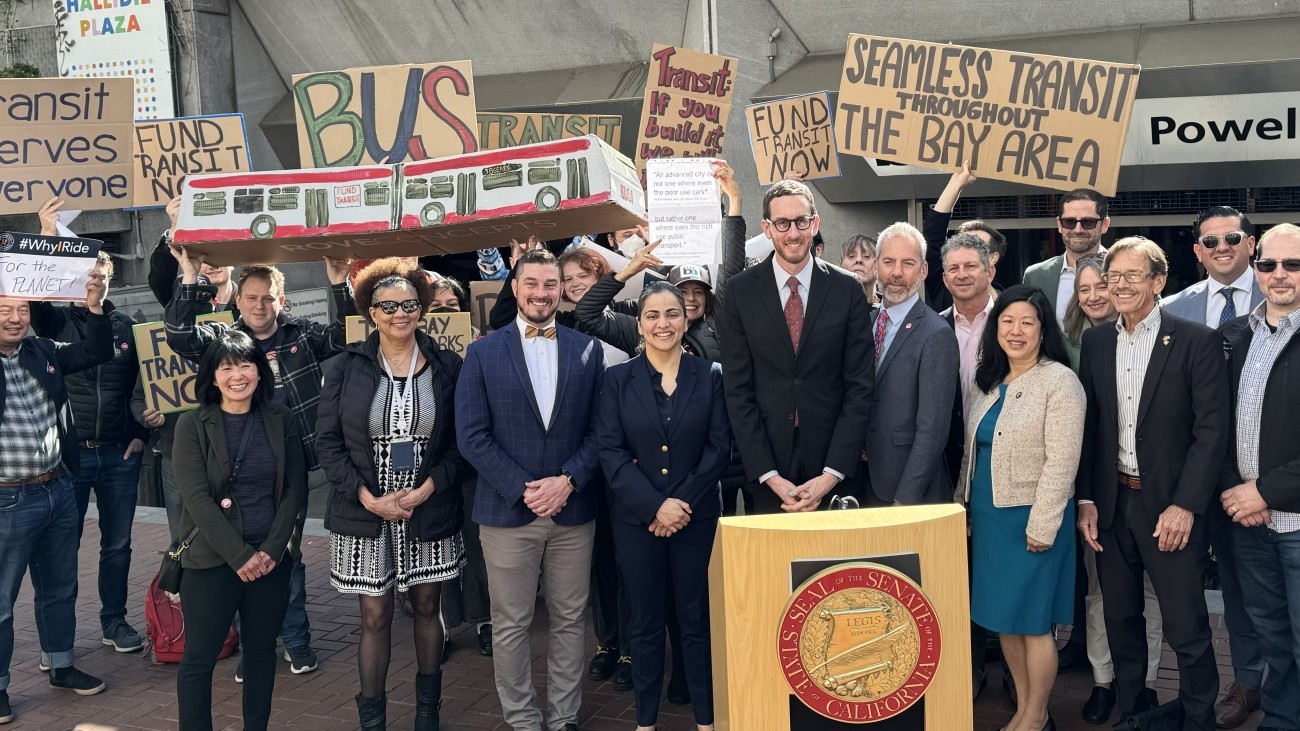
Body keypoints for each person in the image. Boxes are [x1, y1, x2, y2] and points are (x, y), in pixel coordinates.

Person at [167, 250, 353, 677]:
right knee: (238, 555)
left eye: (268, 298)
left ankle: (297, 640)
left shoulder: (301, 334)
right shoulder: (224, 340)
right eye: (251, 298)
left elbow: (347, 335)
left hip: (287, 467)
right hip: (231, 469)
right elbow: (178, 335)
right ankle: (256, 647)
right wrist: (190, 276)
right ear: (239, 300)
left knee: (286, 554)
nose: (259, 306)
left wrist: (340, 284)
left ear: (281, 301)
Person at [1076, 236, 1228, 730]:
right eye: (1112, 277)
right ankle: (1134, 712)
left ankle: (1200, 717)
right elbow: (1092, 427)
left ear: (1159, 282)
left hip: (1169, 508)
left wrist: (1186, 505)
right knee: (1121, 618)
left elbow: (1211, 433)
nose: (1118, 286)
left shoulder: (1197, 341)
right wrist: (1088, 499)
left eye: (1131, 276)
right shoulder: (1098, 341)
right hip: (1114, 503)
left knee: (1187, 624)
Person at [456, 248, 605, 731]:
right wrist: (525, 490)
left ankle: (563, 719)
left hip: (573, 509)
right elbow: (471, 436)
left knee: (569, 620)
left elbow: (601, 432)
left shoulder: (587, 349)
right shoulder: (481, 352)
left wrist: (568, 481)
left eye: (551, 285)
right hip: (506, 514)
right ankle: (522, 720)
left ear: (561, 291)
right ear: (515, 288)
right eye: (532, 284)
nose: (542, 293)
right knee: (511, 624)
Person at [317, 259, 465, 731]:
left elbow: (462, 441)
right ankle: (373, 720)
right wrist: (365, 496)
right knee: (376, 616)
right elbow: (327, 443)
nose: (400, 314)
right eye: (388, 306)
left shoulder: (447, 365)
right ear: (370, 313)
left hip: (429, 506)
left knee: (427, 607)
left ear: (421, 308)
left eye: (408, 304)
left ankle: (428, 714)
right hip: (365, 511)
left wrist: (431, 485)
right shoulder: (345, 366)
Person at [596, 282, 732, 731]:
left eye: (672, 314)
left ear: (686, 318)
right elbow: (611, 454)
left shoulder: (710, 374)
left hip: (695, 520)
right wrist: (656, 507)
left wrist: (679, 505)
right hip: (638, 523)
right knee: (647, 623)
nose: (663, 324)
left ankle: (706, 721)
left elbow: (718, 449)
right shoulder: (616, 381)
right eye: (653, 315)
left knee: (696, 621)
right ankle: (646, 722)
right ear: (639, 324)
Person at [958, 284, 1084, 731]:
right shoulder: (989, 381)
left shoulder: (1060, 382)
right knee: (1003, 619)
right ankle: (1025, 705)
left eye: (1027, 322)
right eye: (1007, 321)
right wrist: (965, 507)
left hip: (1033, 519)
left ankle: (1035, 714)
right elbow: (972, 454)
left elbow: (1063, 461)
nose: (1016, 330)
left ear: (1043, 329)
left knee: (1033, 622)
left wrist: (1044, 524)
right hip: (991, 520)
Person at [1162, 206, 1265, 728]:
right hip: (1202, 475)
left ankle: (1271, 682)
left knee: (1274, 588)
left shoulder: (1282, 292)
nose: (1222, 247)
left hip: (1266, 476)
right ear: (1197, 251)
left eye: (1232, 237)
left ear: (1251, 243)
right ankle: (1248, 680)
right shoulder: (1174, 308)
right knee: (1232, 586)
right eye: (1210, 241)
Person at [171, 330, 303, 731]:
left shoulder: (281, 419)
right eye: (226, 367)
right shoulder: (192, 425)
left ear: (260, 372)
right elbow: (196, 500)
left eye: (245, 365)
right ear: (212, 377)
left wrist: (271, 551)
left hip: (270, 563)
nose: (237, 375)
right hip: (211, 562)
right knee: (200, 658)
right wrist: (240, 556)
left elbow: (294, 490)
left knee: (262, 654)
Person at [718, 179, 874, 514]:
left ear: (815, 224)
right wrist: (769, 476)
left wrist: (832, 474)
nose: (793, 233)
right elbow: (737, 391)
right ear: (767, 228)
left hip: (834, 472)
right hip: (768, 474)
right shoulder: (740, 292)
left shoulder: (847, 290)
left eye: (802, 221)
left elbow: (860, 387)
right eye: (783, 223)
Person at [0, 278, 113, 724]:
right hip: (6, 499)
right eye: (4, 309)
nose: (14, 318)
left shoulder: (41, 350)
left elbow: (94, 351)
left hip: (58, 489)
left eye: (21, 309)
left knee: (60, 587)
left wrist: (94, 305)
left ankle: (61, 665)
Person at [1061, 253, 1166, 725]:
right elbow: (1087, 430)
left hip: (1149, 490)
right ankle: (1105, 681)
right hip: (1098, 493)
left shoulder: (1157, 337)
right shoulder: (1072, 346)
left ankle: (1142, 683)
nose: (1096, 295)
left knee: (1150, 594)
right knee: (1101, 594)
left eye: (1103, 284)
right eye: (1085, 289)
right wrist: (1085, 495)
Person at [27, 249, 148, 656]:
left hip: (119, 454)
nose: (93, 282)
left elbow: (143, 386)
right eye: (86, 276)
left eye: (101, 275)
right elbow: (36, 300)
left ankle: (114, 621)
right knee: (61, 547)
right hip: (70, 457)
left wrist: (139, 436)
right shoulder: (55, 322)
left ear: (111, 278)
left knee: (118, 545)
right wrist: (45, 241)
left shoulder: (128, 327)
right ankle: (58, 640)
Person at [1219, 222, 1300, 731]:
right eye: (1268, 264)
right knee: (1272, 633)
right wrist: (1239, 492)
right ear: (1255, 266)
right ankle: (1283, 719)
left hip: (1294, 522)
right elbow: (1215, 423)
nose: (1280, 275)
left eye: (1293, 265)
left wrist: (1264, 491)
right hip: (1249, 521)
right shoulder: (1238, 335)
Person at [574, 160, 746, 362]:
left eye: (698, 291)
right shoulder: (641, 331)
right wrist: (627, 271)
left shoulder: (717, 323)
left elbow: (731, 269)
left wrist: (735, 200)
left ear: (708, 299)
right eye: (682, 291)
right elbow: (587, 313)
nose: (690, 298)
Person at [864, 223, 959, 505]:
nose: (896, 273)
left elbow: (933, 430)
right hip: (861, 482)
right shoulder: (862, 325)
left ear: (924, 270)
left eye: (908, 263)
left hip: (906, 492)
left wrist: (905, 501)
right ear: (876, 266)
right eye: (888, 262)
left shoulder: (936, 333)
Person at [1024, 188, 1110, 324]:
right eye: (1069, 222)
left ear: (1104, 225)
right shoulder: (1035, 276)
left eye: (1088, 222)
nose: (1078, 230)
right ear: (1059, 224)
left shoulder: (1122, 271)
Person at [938, 233, 996, 417]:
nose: (962, 275)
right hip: (949, 443)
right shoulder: (933, 329)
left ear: (989, 273)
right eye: (953, 268)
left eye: (970, 266)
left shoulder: (1010, 326)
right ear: (945, 279)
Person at [840, 235, 878, 305]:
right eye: (851, 256)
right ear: (841, 265)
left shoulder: (889, 308)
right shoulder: (829, 305)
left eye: (866, 256)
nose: (858, 260)